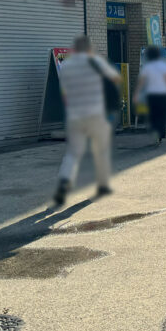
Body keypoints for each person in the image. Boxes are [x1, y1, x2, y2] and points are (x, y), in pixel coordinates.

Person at [55, 35, 122, 205]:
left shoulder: (67, 65)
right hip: (96, 114)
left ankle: (64, 184)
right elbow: (115, 79)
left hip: (75, 115)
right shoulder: (97, 62)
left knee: (73, 152)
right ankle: (102, 185)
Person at [135, 45, 166, 146]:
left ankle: (154, 131)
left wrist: (136, 94)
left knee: (152, 115)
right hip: (163, 95)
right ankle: (161, 134)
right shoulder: (163, 66)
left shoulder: (147, 67)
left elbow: (141, 82)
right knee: (162, 115)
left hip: (151, 95)